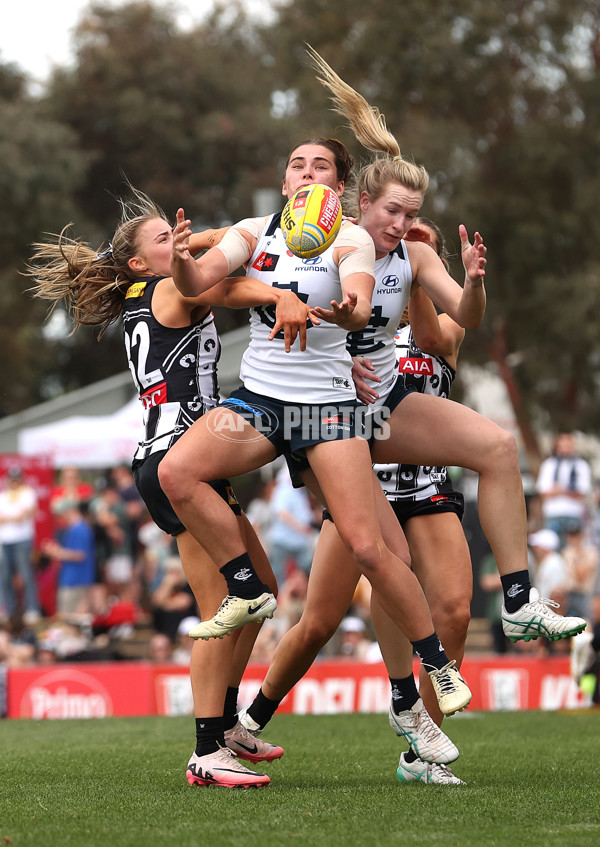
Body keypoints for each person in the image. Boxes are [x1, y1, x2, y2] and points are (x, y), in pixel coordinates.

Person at [234, 49, 586, 785]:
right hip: (336, 428)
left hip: (392, 425)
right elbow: (277, 293)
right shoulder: (324, 243)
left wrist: (473, 281)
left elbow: (451, 329)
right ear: (357, 205)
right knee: (338, 604)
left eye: (411, 213)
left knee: (491, 451)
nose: (402, 222)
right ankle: (284, 717)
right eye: (391, 210)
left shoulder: (409, 254)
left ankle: (515, 602)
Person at [160, 131, 472, 768]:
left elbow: (358, 310)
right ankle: (246, 585)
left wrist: (345, 311)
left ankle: (436, 666)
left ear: (338, 187)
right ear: (284, 184)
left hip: (329, 410)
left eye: (320, 166)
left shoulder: (352, 238)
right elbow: (199, 283)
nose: (306, 173)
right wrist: (183, 262)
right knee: (177, 471)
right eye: (296, 165)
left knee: (369, 545)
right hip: (262, 404)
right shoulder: (253, 231)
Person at [27, 188, 317, 787]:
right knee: (223, 611)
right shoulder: (164, 288)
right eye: (164, 239)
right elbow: (229, 287)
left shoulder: (152, 285)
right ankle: (207, 752)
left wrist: (210, 241)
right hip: (174, 463)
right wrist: (278, 289)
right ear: (138, 263)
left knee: (256, 597)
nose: (178, 243)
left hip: (191, 459)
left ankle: (227, 727)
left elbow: (211, 270)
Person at [536, 432, 594, 548]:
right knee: (552, 548)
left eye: (569, 445)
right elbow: (542, 491)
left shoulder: (581, 466)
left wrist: (560, 491)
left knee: (572, 549)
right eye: (563, 445)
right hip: (553, 514)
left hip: (574, 514)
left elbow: (583, 492)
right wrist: (566, 492)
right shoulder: (549, 465)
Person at [40, 501, 96, 617]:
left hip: (75, 581)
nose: (61, 518)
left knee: (70, 618)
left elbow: (80, 555)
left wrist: (56, 552)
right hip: (73, 579)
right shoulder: (76, 528)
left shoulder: (79, 529)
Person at [0, 467, 41, 626]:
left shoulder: (27, 493)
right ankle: (8, 609)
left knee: (26, 574)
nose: (14, 482)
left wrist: (9, 517)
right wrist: (14, 517)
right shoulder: (3, 496)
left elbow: (23, 515)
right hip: (5, 540)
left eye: (17, 479)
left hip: (23, 539)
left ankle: (32, 608)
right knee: (4, 577)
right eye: (12, 479)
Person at [561, 519, 599, 621]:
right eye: (571, 535)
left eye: (576, 535)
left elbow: (581, 575)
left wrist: (577, 556)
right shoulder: (566, 552)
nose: (574, 539)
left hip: (585, 595)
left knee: (587, 624)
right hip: (569, 594)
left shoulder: (591, 552)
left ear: (582, 536)